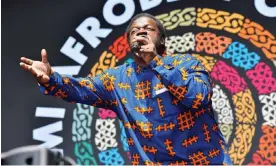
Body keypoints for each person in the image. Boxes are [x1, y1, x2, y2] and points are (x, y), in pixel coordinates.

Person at [20, 13, 232, 165]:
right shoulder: (117, 79)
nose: (140, 31)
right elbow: (79, 89)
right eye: (134, 31)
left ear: (162, 39)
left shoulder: (186, 64)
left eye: (148, 29)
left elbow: (197, 98)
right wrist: (50, 79)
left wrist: (156, 62)